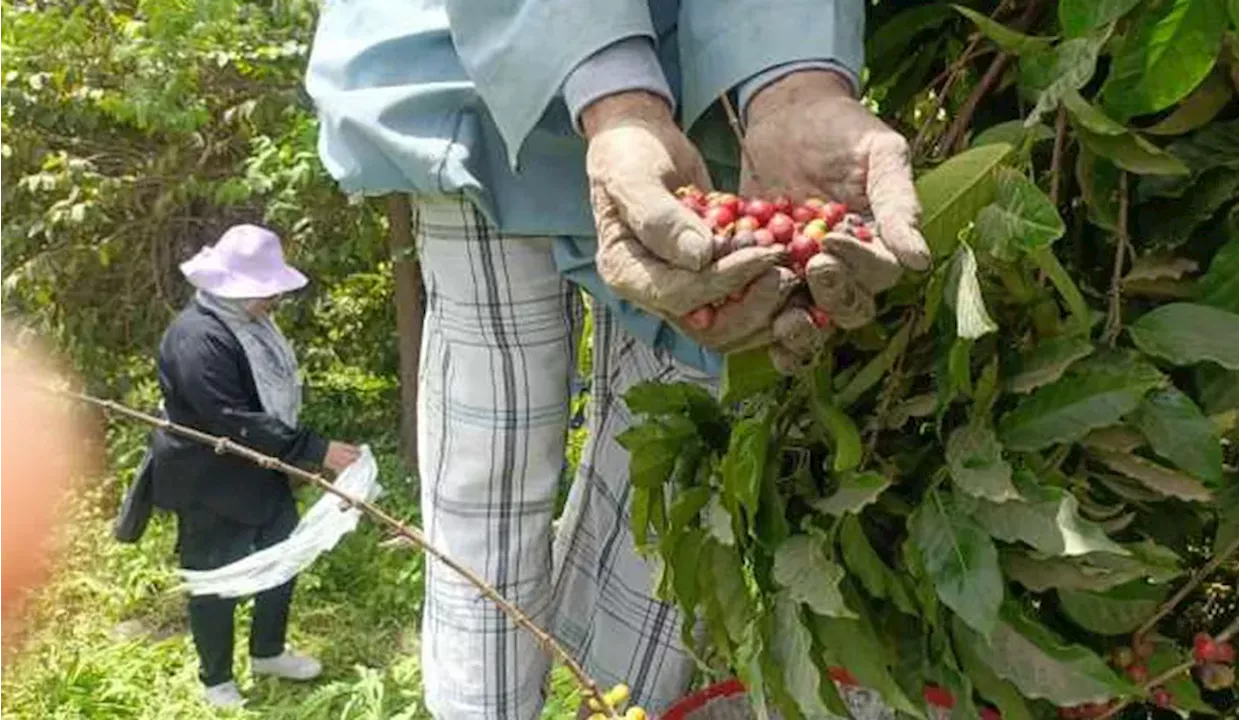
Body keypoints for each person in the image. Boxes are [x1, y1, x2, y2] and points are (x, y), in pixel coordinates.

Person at [305, 1, 930, 717]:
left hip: (697, 99)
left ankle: (607, 706)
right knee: (494, 480)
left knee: (666, 478)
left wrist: (793, 86)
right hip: (472, 67)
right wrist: (618, 103)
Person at [150, 225, 362, 709]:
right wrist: (314, 449)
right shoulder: (197, 339)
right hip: (209, 478)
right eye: (268, 289)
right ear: (237, 286)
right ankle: (216, 678)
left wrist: (299, 449)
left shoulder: (249, 323)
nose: (275, 298)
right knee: (215, 575)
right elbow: (231, 418)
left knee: (282, 554)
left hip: (258, 468)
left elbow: (264, 402)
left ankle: (267, 651)